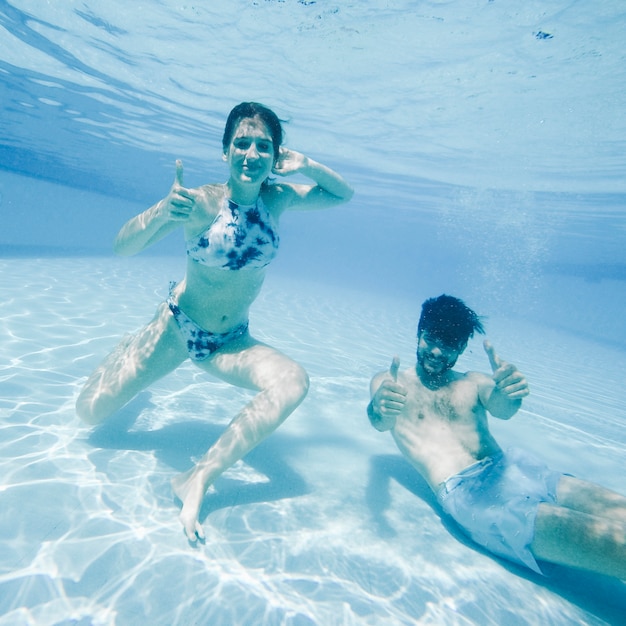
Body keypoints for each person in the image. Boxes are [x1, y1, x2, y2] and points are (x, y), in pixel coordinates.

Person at [76, 102, 353, 542]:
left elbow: (342, 195)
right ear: (225, 151)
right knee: (89, 413)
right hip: (176, 329)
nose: (251, 153)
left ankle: (198, 477)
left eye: (264, 146)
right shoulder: (203, 202)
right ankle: (126, 346)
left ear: (275, 156)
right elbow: (122, 246)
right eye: (241, 143)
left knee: (293, 381)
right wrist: (165, 212)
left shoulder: (277, 200)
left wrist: (306, 164)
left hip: (230, 342)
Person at [368, 294, 626, 579]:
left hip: (520, 469)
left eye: (450, 343)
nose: (438, 352)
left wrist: (509, 392)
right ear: (419, 333)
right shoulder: (391, 384)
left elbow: (503, 408)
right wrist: (379, 407)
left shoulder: (474, 381)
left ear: (463, 347)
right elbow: (380, 420)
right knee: (618, 547)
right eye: (431, 339)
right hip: (475, 497)